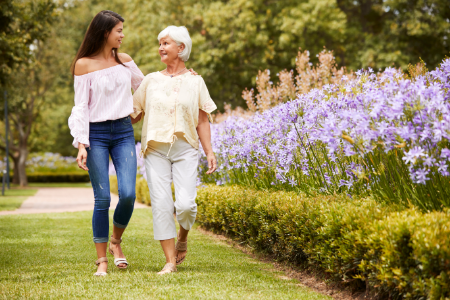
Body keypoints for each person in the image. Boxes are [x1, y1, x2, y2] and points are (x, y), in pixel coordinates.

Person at [131, 25, 217, 274]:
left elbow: (202, 120)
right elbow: (133, 114)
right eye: (160, 43)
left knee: (186, 205)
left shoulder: (195, 81)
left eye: (166, 43)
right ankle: (169, 262)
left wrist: (209, 151)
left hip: (185, 149)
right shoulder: (150, 81)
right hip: (155, 149)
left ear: (181, 48)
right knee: (160, 204)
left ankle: (183, 237)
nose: (160, 47)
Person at [68, 10, 144, 276]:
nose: (123, 35)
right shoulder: (83, 65)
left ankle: (116, 242)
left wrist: (179, 73)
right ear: (104, 32)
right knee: (102, 198)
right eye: (119, 30)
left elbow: (146, 90)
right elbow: (80, 107)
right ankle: (102, 261)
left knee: (129, 194)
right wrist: (81, 144)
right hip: (96, 135)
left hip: (123, 131)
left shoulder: (125, 61)